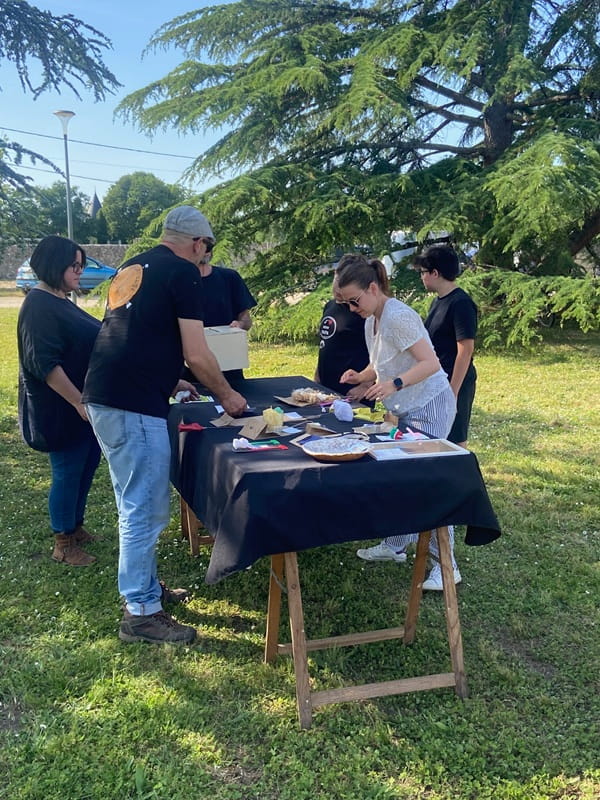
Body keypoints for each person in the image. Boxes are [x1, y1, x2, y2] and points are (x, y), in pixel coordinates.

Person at [83, 205, 247, 644]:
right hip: (130, 403)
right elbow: (197, 352)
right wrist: (227, 396)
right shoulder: (184, 272)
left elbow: (131, 334)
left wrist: (168, 378)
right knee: (145, 508)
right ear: (198, 244)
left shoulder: (134, 267)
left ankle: (146, 590)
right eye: (206, 250)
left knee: (131, 501)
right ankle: (140, 612)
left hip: (105, 394)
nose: (204, 258)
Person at [336, 254, 461, 591]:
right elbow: (382, 364)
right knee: (405, 475)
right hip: (409, 407)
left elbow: (431, 363)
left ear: (373, 288)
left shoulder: (398, 316)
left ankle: (447, 565)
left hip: (431, 404)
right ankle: (394, 546)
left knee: (426, 481)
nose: (352, 308)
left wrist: (393, 385)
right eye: (346, 303)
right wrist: (361, 377)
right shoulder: (370, 320)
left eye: (354, 300)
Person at [17, 235, 102, 567]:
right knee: (67, 470)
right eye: (75, 266)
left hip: (81, 405)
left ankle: (76, 528)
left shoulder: (61, 299)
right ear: (56, 266)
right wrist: (78, 402)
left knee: (85, 466)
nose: (79, 272)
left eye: (81, 265)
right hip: (60, 407)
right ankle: (63, 543)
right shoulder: (38, 305)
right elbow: (45, 364)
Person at [417, 245, 477, 447]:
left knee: (455, 440)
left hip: (455, 380)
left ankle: (459, 477)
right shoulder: (437, 302)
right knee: (436, 438)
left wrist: (453, 391)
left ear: (436, 273)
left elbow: (465, 350)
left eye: (424, 272)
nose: (422, 277)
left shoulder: (461, 303)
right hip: (436, 381)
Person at [196, 241, 257, 382]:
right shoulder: (178, 282)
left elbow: (246, 320)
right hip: (189, 368)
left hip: (228, 366)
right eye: (203, 247)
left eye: (209, 247)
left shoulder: (230, 278)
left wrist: (239, 325)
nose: (206, 251)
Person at [314, 274, 373, 400]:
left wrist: (365, 386)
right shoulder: (330, 306)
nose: (336, 284)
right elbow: (325, 343)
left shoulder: (362, 310)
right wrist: (317, 375)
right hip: (326, 389)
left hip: (351, 391)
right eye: (336, 277)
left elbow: (378, 351)